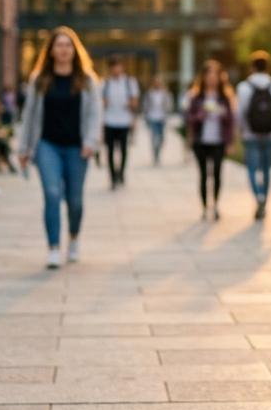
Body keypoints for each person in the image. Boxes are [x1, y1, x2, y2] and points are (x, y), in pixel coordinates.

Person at [17, 27, 102, 269]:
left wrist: (91, 142)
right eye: (59, 45)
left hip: (77, 147)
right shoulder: (40, 80)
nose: (63, 50)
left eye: (68, 45)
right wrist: (23, 149)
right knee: (52, 194)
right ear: (51, 51)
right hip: (47, 145)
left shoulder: (87, 80)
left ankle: (73, 238)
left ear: (75, 51)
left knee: (75, 201)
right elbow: (29, 115)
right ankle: (53, 247)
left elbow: (95, 114)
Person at [235, 50, 271, 219]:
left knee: (251, 169)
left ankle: (257, 196)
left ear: (252, 67)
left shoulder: (243, 87)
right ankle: (264, 200)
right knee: (266, 170)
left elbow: (240, 113)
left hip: (250, 136)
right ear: (268, 68)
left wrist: (240, 132)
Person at [184, 60, 235, 221]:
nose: (212, 78)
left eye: (215, 75)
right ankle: (205, 207)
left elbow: (231, 120)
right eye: (209, 75)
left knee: (218, 174)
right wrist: (199, 116)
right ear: (203, 77)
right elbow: (188, 118)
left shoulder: (225, 97)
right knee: (204, 175)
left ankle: (216, 205)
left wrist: (230, 141)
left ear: (220, 77)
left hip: (219, 141)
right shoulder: (196, 96)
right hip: (201, 141)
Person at [102, 56, 140, 189]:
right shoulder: (105, 83)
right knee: (110, 151)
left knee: (123, 150)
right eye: (113, 66)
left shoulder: (130, 82)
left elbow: (135, 102)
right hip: (109, 121)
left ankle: (121, 173)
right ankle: (112, 177)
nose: (116, 69)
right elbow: (100, 103)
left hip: (124, 121)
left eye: (118, 66)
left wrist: (130, 104)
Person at [142, 75, 174, 166]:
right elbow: (145, 106)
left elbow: (169, 104)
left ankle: (158, 152)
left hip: (162, 118)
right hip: (152, 118)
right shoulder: (149, 93)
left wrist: (167, 112)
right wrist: (146, 116)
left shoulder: (165, 93)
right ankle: (155, 155)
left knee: (162, 138)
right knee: (154, 137)